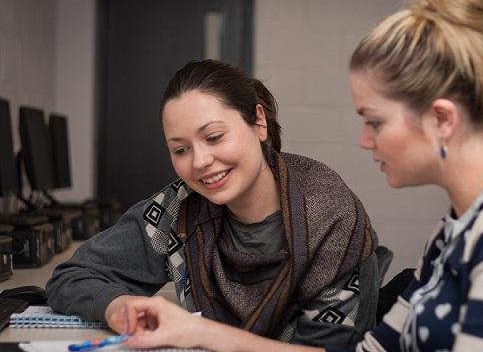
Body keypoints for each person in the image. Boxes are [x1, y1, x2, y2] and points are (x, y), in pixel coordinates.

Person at [114, 0, 483, 352]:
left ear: (442, 119)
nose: (365, 142)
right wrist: (199, 333)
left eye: (375, 122)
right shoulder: (459, 227)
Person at [45, 59, 384, 349]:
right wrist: (117, 307)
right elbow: (71, 276)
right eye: (181, 149)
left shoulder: (330, 216)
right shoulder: (179, 208)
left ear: (259, 123)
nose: (200, 161)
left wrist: (204, 334)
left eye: (214, 137)